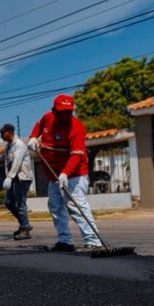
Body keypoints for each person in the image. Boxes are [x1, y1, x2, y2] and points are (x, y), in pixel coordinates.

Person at [28, 94, 102, 252]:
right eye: (62, 112)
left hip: (74, 174)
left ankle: (93, 241)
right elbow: (38, 125)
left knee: (77, 206)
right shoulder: (47, 118)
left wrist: (65, 173)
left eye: (69, 112)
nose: (66, 116)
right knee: (55, 207)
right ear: (54, 111)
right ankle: (64, 240)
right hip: (53, 175)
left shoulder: (76, 128)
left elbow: (77, 155)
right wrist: (33, 138)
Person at [0, 123, 34, 240]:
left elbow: (17, 163)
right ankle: (25, 224)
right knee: (8, 202)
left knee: (20, 202)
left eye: (3, 133)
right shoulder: (8, 146)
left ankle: (25, 229)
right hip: (14, 178)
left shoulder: (19, 145)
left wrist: (9, 177)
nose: (2, 135)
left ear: (9, 132)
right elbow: (3, 159)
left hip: (22, 177)